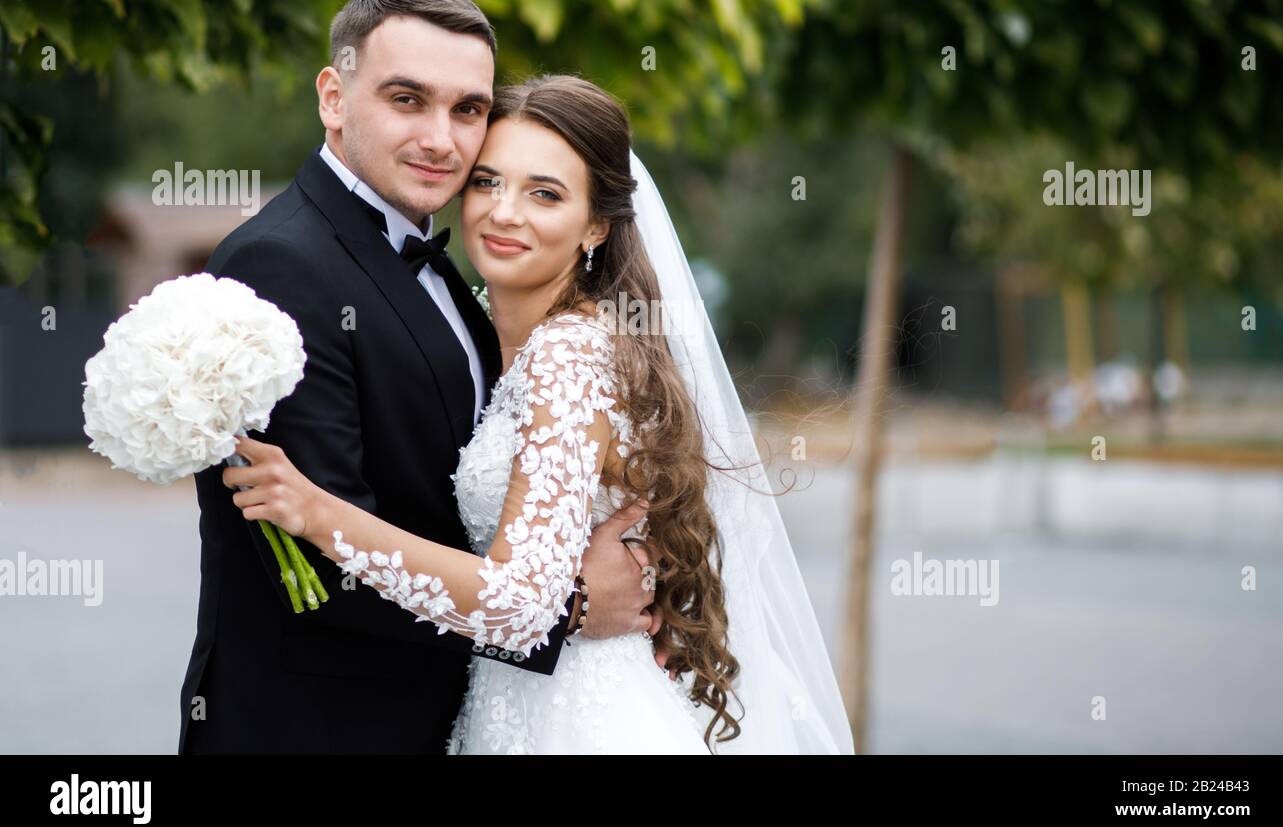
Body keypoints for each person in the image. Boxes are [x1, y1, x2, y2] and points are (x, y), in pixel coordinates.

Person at [224, 73, 855, 754]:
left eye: (544, 194)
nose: (503, 212)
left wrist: (318, 513)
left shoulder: (568, 354)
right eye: (488, 182)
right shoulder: (508, 333)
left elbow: (518, 603)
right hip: (513, 706)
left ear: (595, 225)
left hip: (580, 720)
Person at [179, 0, 655, 754]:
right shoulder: (280, 265)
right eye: (408, 100)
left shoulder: (457, 276)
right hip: (317, 732)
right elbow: (320, 571)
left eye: (468, 109)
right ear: (334, 97)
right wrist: (565, 609)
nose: (443, 139)